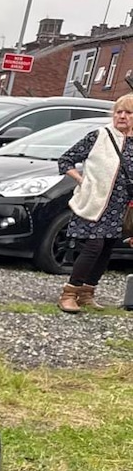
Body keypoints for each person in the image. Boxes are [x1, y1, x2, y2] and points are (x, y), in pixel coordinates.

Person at [57, 95, 133, 312]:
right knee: (94, 245)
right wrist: (83, 181)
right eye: (119, 111)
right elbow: (66, 160)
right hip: (94, 203)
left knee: (106, 249)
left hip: (119, 207)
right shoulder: (100, 136)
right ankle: (69, 293)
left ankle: (87, 293)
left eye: (128, 113)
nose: (122, 116)